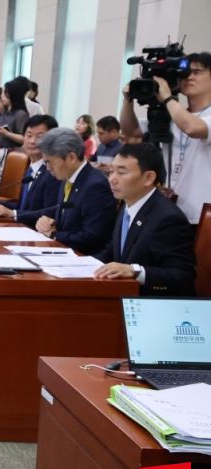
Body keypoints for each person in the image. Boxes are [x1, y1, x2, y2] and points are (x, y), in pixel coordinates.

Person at [121, 52, 211, 224]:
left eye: (197, 72)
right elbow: (131, 132)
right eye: (184, 73)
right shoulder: (171, 114)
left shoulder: (185, 114)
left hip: (203, 214)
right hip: (173, 211)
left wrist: (167, 98)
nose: (189, 77)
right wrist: (127, 101)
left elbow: (192, 127)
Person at [94, 143, 195, 296]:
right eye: (111, 171)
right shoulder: (127, 204)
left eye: (121, 172)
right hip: (122, 294)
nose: (112, 179)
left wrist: (135, 271)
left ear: (148, 178)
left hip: (152, 301)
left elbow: (182, 277)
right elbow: (114, 251)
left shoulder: (168, 218)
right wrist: (79, 264)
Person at [33, 128, 117, 254]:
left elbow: (92, 238)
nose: (48, 168)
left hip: (84, 257)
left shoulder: (95, 186)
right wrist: (48, 222)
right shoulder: (68, 177)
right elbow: (66, 219)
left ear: (71, 157)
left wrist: (54, 234)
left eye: (49, 162)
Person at [0, 114, 61, 226]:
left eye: (40, 137)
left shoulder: (53, 173)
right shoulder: (31, 169)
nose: (32, 141)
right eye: (29, 135)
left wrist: (13, 214)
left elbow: (49, 213)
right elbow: (22, 206)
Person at [0, 79, 29, 148]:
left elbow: (25, 138)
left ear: (12, 94)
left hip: (13, 152)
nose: (1, 96)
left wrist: (7, 134)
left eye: (4, 93)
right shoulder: (2, 113)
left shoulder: (20, 114)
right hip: (0, 150)